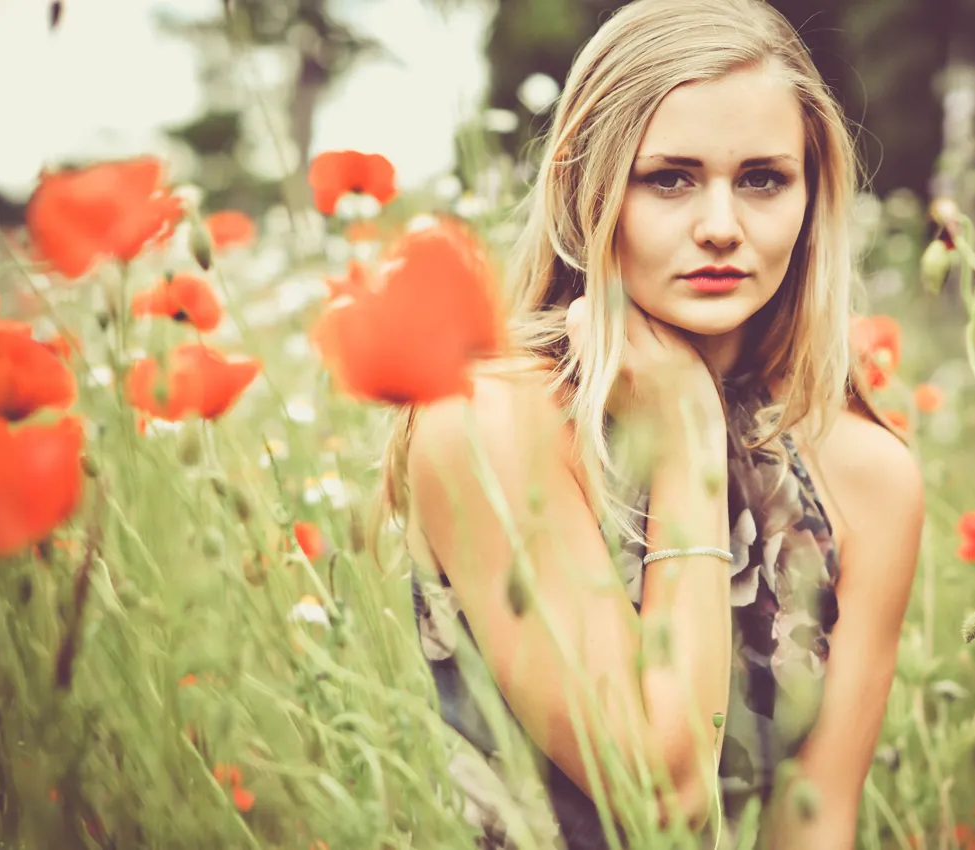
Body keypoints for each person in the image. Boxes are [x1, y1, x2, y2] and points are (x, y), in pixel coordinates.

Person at [380, 0, 924, 846]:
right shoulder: (489, 423)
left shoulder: (864, 475)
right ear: (587, 188)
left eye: (763, 179)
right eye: (669, 178)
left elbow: (815, 826)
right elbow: (662, 795)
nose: (721, 227)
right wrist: (687, 444)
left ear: (812, 196)